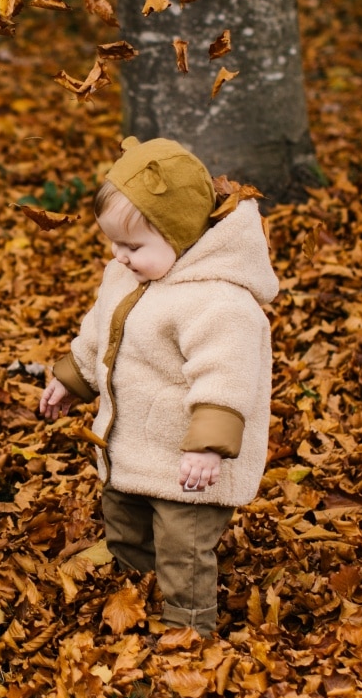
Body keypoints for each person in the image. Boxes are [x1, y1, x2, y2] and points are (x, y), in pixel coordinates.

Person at [37, 136, 276, 634]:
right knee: (124, 521)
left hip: (191, 462)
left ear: (182, 235)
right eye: (112, 242)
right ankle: (134, 593)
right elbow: (99, 332)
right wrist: (72, 378)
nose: (117, 256)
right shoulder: (125, 277)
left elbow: (227, 374)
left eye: (132, 246)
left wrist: (209, 447)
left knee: (182, 546)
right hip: (133, 446)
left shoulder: (218, 300)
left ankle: (187, 627)